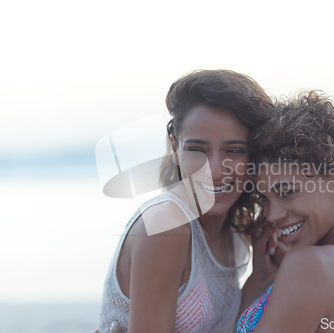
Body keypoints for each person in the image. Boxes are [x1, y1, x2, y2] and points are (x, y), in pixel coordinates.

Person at [97, 69, 275, 333]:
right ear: (175, 148)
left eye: (234, 150)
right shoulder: (166, 224)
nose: (214, 170)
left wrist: (260, 277)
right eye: (196, 150)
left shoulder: (237, 232)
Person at [236, 91, 334, 332]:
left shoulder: (309, 266)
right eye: (264, 198)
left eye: (287, 192)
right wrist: (261, 277)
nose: (271, 215)